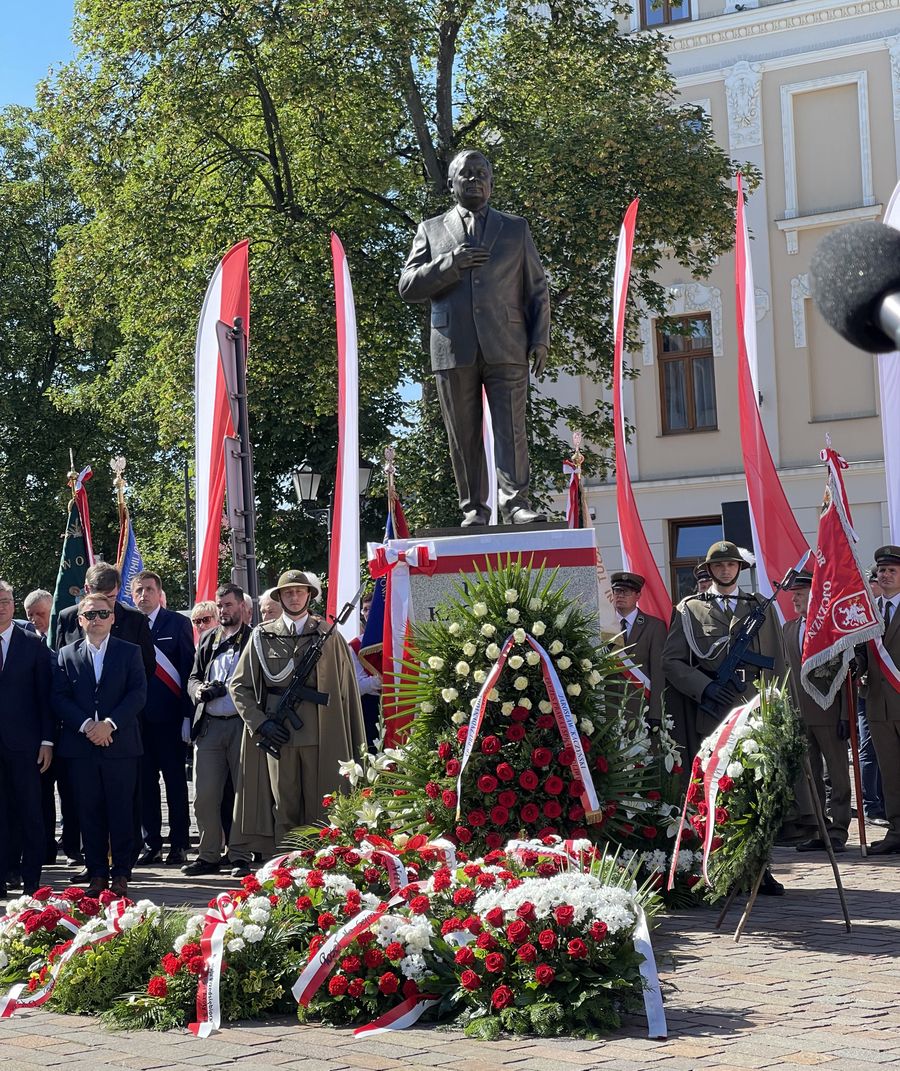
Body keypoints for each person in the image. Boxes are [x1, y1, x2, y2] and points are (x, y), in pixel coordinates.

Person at [399, 149, 551, 526]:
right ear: (451, 183)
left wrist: (540, 338)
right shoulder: (431, 230)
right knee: (463, 435)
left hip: (508, 343)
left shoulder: (515, 228)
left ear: (492, 182)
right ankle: (474, 509)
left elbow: (536, 288)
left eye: (481, 173)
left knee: (512, 430)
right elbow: (407, 285)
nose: (474, 179)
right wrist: (451, 263)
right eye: (465, 174)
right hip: (453, 346)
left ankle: (515, 503)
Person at [663, 540, 786, 894]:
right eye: (719, 566)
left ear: (739, 569)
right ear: (710, 570)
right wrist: (704, 687)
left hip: (754, 713)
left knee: (756, 791)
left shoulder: (760, 606)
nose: (726, 570)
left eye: (731, 565)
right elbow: (671, 661)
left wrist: (775, 707)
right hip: (712, 714)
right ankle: (718, 867)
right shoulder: (689, 610)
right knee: (715, 793)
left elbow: (778, 660)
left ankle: (760, 868)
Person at [230, 569, 366, 844]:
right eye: (288, 592)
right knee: (284, 807)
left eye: (300, 591)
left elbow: (345, 690)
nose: (294, 597)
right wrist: (260, 723)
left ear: (309, 596)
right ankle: (287, 866)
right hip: (280, 735)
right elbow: (239, 686)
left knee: (324, 805)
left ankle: (323, 864)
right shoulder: (262, 636)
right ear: (279, 597)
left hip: (322, 733)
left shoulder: (328, 635)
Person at [52, 593, 146, 897]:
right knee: (87, 811)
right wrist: (87, 725)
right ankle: (96, 874)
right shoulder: (66, 654)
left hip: (119, 745)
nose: (96, 620)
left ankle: (121, 873)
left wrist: (109, 724)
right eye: (90, 615)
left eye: (103, 614)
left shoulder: (129, 652)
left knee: (121, 811)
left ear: (113, 618)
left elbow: (137, 694)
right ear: (80, 620)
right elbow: (59, 697)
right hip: (81, 746)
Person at [184, 584, 253, 877]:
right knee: (204, 795)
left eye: (228, 605)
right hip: (210, 724)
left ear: (241, 607)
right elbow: (193, 677)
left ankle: (239, 855)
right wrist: (199, 690)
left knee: (242, 794)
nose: (223, 610)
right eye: (219, 605)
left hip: (242, 724)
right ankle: (208, 854)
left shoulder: (254, 638)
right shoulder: (209, 638)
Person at [781, 572, 850, 853]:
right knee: (808, 774)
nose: (795, 598)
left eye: (800, 592)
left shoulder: (831, 629)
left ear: (816, 593)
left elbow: (845, 674)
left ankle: (839, 828)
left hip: (829, 710)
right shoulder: (788, 628)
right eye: (793, 593)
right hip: (799, 713)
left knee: (837, 773)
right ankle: (819, 827)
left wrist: (846, 714)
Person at [131, 570, 195, 866]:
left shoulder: (178, 623)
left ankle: (179, 843)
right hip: (139, 721)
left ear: (160, 593)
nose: (143, 595)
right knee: (145, 785)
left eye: (148, 590)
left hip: (170, 720)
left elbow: (187, 672)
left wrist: (186, 715)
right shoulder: (128, 624)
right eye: (138, 590)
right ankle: (151, 843)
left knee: (175, 784)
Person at [0, 581, 53, 898]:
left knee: (30, 812)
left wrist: (47, 740)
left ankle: (32, 880)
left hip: (26, 745)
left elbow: (45, 698)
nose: (1, 606)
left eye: (5, 600)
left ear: (13, 604)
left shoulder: (32, 644)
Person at [860, 546, 900, 854]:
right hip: (878, 704)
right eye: (881, 571)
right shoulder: (868, 612)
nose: (884, 575)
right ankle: (896, 831)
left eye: (892, 571)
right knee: (889, 772)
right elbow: (862, 654)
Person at [610, 572, 667, 724]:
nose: (620, 595)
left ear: (638, 595)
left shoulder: (654, 626)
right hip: (608, 707)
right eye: (617, 591)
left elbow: (658, 674)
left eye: (626, 591)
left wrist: (656, 713)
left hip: (641, 708)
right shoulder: (603, 626)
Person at [857, 570, 886, 823]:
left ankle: (887, 804)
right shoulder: (864, 614)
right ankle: (871, 806)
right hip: (869, 693)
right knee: (869, 749)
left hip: (894, 693)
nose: (872, 585)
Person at [349, 591, 382, 750]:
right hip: (371, 707)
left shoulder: (399, 639)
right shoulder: (355, 646)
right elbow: (357, 686)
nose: (368, 613)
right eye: (365, 609)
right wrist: (381, 680)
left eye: (372, 608)